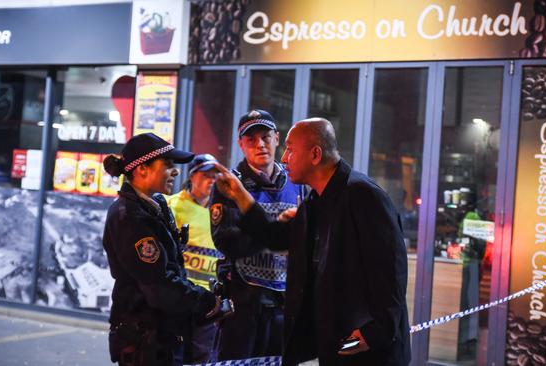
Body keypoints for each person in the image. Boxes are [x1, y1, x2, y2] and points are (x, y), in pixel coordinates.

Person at [213, 118, 411, 366]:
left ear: (315, 154)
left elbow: (390, 268)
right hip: (339, 341)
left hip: (367, 346)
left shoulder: (362, 194)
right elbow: (276, 237)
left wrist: (377, 330)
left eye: (290, 149)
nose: (284, 159)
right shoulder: (316, 201)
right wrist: (241, 196)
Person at [102, 133, 222, 366]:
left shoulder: (155, 204)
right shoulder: (129, 216)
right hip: (145, 340)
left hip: (164, 335)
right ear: (142, 169)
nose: (176, 171)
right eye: (167, 165)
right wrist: (208, 302)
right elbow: (159, 285)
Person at [210, 109, 304, 361]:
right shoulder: (229, 184)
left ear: (277, 138)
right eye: (251, 140)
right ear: (241, 145)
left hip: (285, 305)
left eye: (265, 136)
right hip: (245, 306)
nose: (259, 144)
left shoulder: (298, 181)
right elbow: (227, 241)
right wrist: (276, 233)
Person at [165, 153, 224, 364]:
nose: (211, 180)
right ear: (192, 177)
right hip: (179, 299)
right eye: (206, 175)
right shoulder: (170, 206)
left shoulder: (221, 212)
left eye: (215, 176)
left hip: (208, 304)